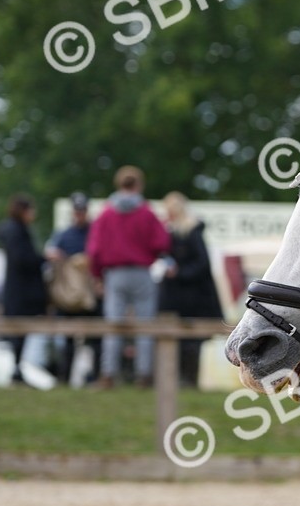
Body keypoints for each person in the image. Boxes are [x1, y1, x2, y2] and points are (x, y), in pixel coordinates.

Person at [87, 166, 170, 389]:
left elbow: (94, 250)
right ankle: (144, 376)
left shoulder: (106, 213)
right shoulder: (146, 212)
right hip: (142, 273)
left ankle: (108, 375)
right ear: (139, 185)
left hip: (114, 274)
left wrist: (97, 276)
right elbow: (161, 243)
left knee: (113, 325)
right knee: (145, 326)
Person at [157, 192, 223, 387]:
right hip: (183, 297)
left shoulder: (191, 232)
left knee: (191, 342)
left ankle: (188, 381)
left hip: (194, 299)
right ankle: (180, 381)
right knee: (180, 342)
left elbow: (202, 264)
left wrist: (179, 273)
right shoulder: (176, 232)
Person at [45, 192, 100, 384]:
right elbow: (50, 256)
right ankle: (65, 377)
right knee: (68, 340)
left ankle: (95, 377)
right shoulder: (64, 235)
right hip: (69, 296)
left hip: (90, 294)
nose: (79, 214)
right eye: (77, 211)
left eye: (82, 211)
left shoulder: (95, 233)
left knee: (94, 338)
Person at [0, 193, 48, 384]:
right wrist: (43, 259)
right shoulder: (18, 231)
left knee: (19, 332)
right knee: (19, 331)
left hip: (15, 290)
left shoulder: (10, 230)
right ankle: (16, 371)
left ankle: (17, 369)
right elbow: (23, 260)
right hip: (22, 291)